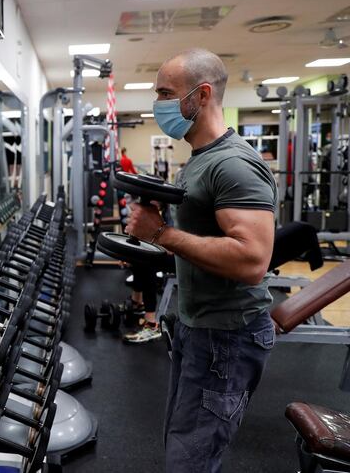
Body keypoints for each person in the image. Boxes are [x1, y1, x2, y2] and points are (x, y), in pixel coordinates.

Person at [125, 48, 277, 472]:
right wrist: (156, 226)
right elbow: (201, 235)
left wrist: (160, 232)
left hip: (226, 336)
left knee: (190, 458)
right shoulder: (199, 160)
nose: (159, 104)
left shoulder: (232, 164)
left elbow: (252, 261)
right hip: (199, 329)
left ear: (202, 94)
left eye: (166, 93)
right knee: (182, 442)